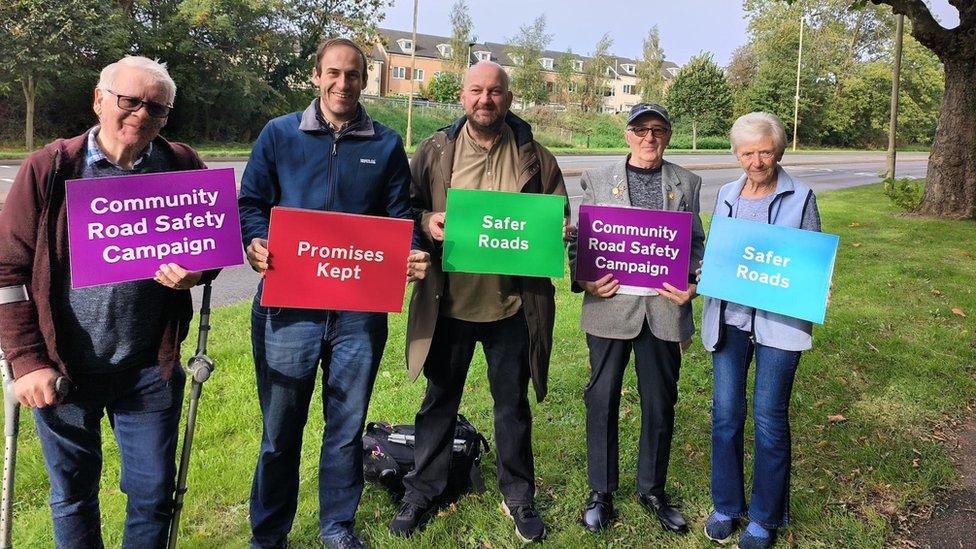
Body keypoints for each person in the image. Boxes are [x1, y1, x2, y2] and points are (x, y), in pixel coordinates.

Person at [0, 56, 215, 548]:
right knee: (73, 494)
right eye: (129, 100)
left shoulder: (181, 164)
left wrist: (197, 272)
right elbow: (7, 271)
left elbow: (210, 249)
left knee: (154, 493)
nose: (142, 114)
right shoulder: (50, 168)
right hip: (63, 368)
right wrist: (26, 360)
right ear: (99, 100)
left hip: (147, 368)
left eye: (157, 108)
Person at [238, 38, 429, 549]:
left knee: (345, 430)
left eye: (353, 75)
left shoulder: (386, 144)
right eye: (334, 74)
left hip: (358, 314)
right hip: (287, 308)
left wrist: (410, 251)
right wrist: (254, 243)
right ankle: (269, 533)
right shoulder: (279, 134)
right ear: (317, 76)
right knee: (280, 434)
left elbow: (400, 216)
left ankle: (336, 526)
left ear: (365, 80)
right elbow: (251, 204)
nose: (343, 83)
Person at [388, 61, 567, 543]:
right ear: (462, 97)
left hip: (512, 306)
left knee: (512, 405)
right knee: (438, 401)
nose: (485, 99)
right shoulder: (434, 150)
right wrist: (426, 223)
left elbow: (557, 218)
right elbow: (403, 207)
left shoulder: (535, 156)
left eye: (495, 92)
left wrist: (560, 231)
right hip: (448, 303)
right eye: (476, 91)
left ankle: (519, 493)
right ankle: (423, 488)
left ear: (508, 99)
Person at [567, 103, 705, 535]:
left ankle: (652, 489)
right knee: (602, 398)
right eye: (641, 129)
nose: (650, 137)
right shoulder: (598, 178)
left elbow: (696, 243)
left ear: (668, 135)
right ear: (628, 134)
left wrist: (694, 284)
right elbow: (580, 242)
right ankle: (601, 491)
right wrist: (586, 280)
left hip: (664, 308)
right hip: (610, 307)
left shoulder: (687, 181)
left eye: (659, 130)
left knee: (661, 403)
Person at [701, 112, 822, 549]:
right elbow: (718, 255)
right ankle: (726, 506)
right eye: (748, 152)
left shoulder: (801, 195)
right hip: (730, 321)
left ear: (779, 151)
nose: (756, 161)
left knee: (770, 420)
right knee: (725, 417)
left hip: (778, 326)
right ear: (736, 154)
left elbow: (810, 264)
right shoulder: (728, 194)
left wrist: (803, 284)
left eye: (765, 152)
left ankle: (766, 517)